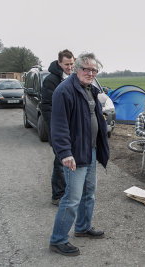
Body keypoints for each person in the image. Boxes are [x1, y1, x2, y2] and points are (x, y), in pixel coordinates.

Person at [49, 52, 109, 256]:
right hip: (75, 154)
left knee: (88, 193)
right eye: (87, 69)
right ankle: (58, 240)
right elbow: (58, 126)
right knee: (72, 198)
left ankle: (83, 227)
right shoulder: (64, 91)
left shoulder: (90, 89)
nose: (90, 73)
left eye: (94, 70)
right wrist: (65, 153)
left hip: (89, 151)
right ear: (76, 69)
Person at [41, 49, 75, 206]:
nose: (70, 67)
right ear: (59, 63)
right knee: (60, 161)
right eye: (67, 64)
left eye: (72, 64)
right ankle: (57, 195)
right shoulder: (51, 80)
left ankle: (69, 191)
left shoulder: (73, 77)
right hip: (58, 128)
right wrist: (53, 129)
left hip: (71, 127)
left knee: (70, 160)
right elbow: (46, 107)